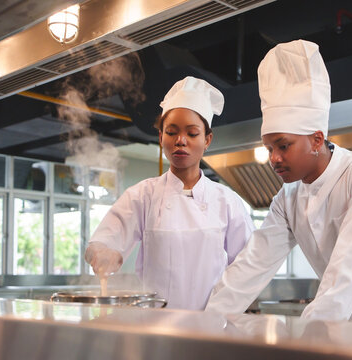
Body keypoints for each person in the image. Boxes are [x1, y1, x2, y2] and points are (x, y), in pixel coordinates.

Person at [205, 40, 352, 328]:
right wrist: (203, 324)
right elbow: (252, 264)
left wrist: (313, 335)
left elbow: (350, 265)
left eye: (283, 145)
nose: (274, 159)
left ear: (317, 139)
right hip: (348, 327)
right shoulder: (287, 199)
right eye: (269, 148)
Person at [85, 76, 255, 310]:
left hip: (210, 324)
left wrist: (221, 310)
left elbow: (248, 267)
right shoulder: (142, 195)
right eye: (172, 132)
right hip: (155, 327)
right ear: (160, 137)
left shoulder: (227, 202)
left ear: (207, 140)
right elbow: (103, 241)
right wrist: (101, 253)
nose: (180, 141)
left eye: (192, 134)